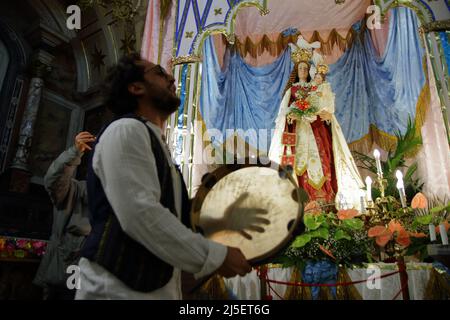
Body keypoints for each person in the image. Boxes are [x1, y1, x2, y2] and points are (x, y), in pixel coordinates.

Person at [75, 53, 252, 300]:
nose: (171, 77)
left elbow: (173, 216)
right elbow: (140, 213)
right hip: (117, 289)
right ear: (136, 87)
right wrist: (215, 256)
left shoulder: (152, 140)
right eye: (159, 73)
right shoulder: (126, 130)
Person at [269, 41, 364, 210]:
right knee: (300, 165)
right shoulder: (292, 91)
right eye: (301, 69)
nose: (304, 71)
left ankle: (326, 201)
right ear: (296, 72)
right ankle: (304, 203)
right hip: (299, 133)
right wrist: (291, 116)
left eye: (306, 69)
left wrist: (326, 116)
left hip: (317, 130)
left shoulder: (317, 88)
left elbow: (325, 108)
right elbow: (283, 114)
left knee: (323, 160)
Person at [33, 131, 94, 300]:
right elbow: (54, 180)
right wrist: (75, 151)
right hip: (66, 276)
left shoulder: (117, 199)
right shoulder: (75, 191)